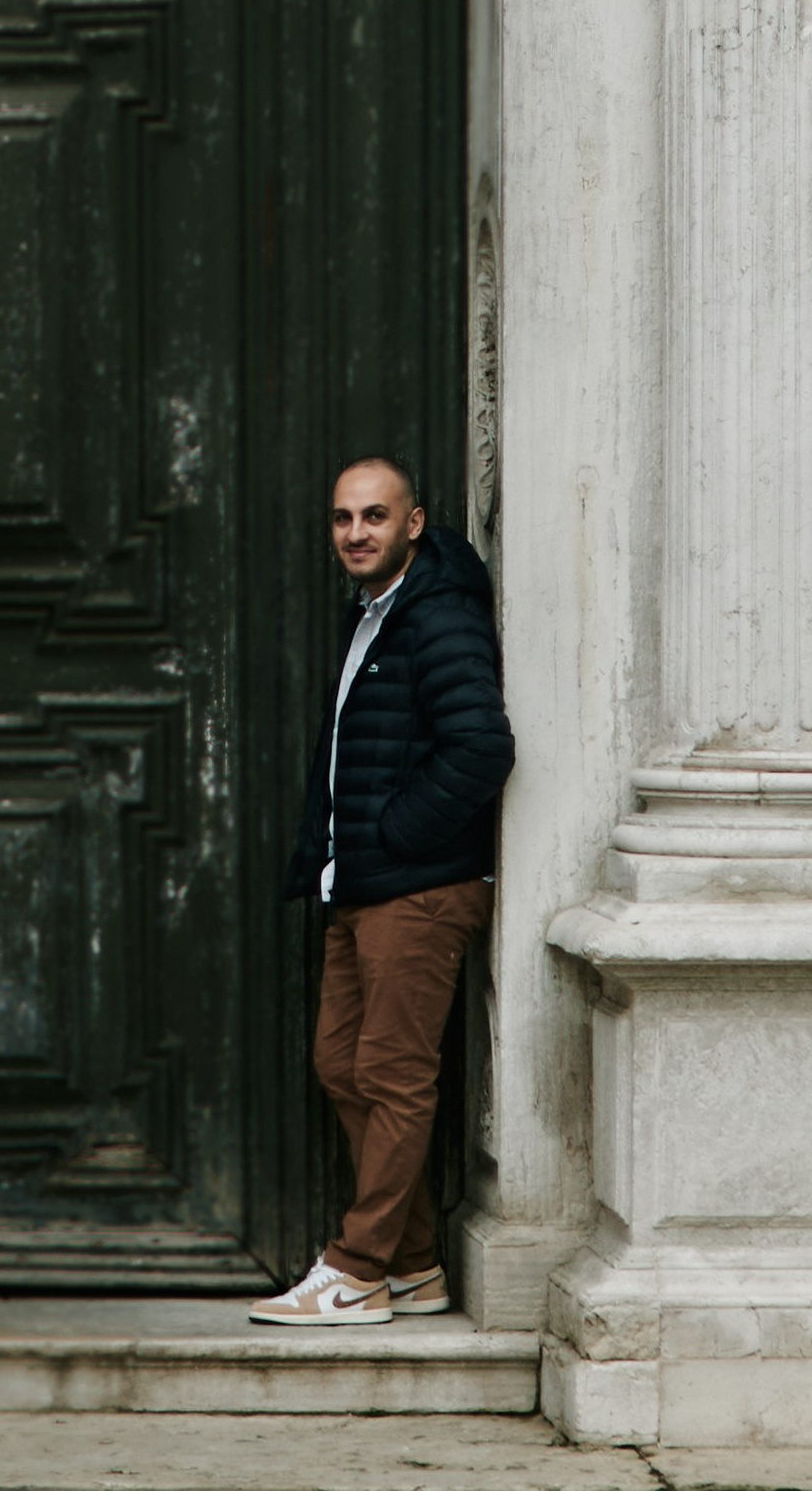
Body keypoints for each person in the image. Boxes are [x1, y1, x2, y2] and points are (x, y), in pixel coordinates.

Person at [251, 453, 514, 1329]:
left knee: (393, 1077)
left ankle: (357, 1268)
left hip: (419, 889)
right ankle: (414, 1265)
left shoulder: (436, 615)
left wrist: (397, 834)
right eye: (341, 519)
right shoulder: (375, 615)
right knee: (341, 1065)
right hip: (361, 884)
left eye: (373, 516)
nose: (355, 533)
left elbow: (481, 746)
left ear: (413, 523)